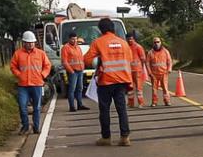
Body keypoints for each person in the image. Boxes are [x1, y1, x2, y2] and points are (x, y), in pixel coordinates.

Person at [84, 18, 133, 146]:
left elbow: (87, 60)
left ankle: (106, 138)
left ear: (101, 29)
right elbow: (130, 59)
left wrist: (99, 60)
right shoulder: (123, 43)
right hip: (122, 81)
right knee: (121, 109)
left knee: (104, 110)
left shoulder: (98, 42)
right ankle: (125, 137)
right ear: (113, 28)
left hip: (106, 81)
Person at [10, 31, 52, 135]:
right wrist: (19, 75)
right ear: (24, 43)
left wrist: (43, 75)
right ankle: (25, 126)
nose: (31, 44)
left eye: (32, 42)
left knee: (37, 108)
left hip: (37, 84)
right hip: (23, 85)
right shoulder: (18, 54)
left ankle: (36, 127)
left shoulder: (41, 53)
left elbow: (47, 65)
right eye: (28, 42)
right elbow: (13, 66)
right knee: (22, 106)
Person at [61, 32, 89, 112]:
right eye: (73, 39)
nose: (74, 40)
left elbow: (81, 58)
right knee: (72, 89)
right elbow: (64, 61)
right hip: (73, 71)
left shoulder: (78, 47)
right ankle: (72, 106)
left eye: (76, 39)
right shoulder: (66, 48)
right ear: (69, 39)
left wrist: (83, 67)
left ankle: (80, 104)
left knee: (80, 88)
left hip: (80, 70)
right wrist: (71, 71)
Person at [147, 37, 172, 106]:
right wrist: (149, 73)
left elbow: (169, 61)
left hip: (164, 73)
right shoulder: (150, 53)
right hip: (154, 74)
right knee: (154, 89)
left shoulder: (165, 51)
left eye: (158, 42)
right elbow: (147, 64)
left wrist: (169, 69)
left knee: (165, 88)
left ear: (160, 42)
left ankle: (167, 101)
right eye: (155, 42)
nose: (156, 44)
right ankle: (154, 102)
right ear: (153, 43)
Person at [126, 32, 148, 108]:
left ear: (133, 39)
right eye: (128, 39)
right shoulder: (126, 47)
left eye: (131, 39)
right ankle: (130, 103)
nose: (129, 41)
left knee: (139, 88)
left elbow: (143, 59)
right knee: (130, 88)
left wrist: (142, 69)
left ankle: (141, 103)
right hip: (129, 71)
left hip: (137, 71)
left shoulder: (138, 47)